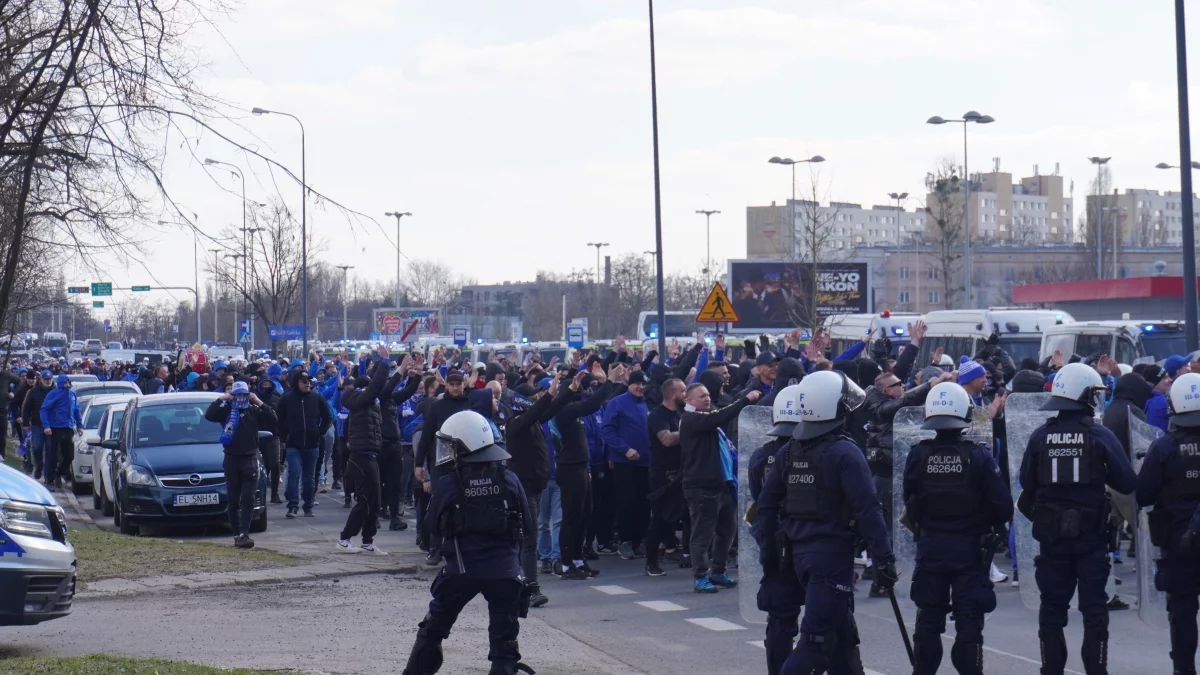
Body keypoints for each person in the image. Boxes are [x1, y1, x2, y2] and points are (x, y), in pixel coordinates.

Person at [752, 370, 893, 673]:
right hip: (829, 557)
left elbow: (765, 506)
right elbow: (868, 508)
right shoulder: (844, 451)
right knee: (815, 641)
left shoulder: (790, 451)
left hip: (792, 552)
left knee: (842, 637)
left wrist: (768, 550)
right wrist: (884, 559)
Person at [1018, 362, 1136, 675]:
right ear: (1083, 394)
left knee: (1052, 611)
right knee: (1094, 612)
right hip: (1091, 539)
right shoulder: (1099, 435)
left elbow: (1026, 483)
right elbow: (1126, 482)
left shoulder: (1040, 436)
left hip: (1052, 540)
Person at [402, 410, 535, 675]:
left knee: (432, 630)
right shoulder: (509, 479)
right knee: (504, 645)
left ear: (465, 445)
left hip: (462, 570)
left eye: (452, 446)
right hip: (505, 573)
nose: (448, 451)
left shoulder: (452, 483)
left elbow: (430, 527)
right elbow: (528, 523)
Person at [902, 382, 1013, 675]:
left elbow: (908, 500)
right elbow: (1002, 506)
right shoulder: (978, 456)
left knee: (927, 620)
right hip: (969, 550)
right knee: (969, 623)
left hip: (930, 548)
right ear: (964, 414)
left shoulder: (918, 454)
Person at [862, 367, 954, 597]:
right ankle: (882, 580)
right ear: (886, 390)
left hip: (894, 473)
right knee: (887, 531)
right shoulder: (882, 408)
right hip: (884, 477)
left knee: (898, 527)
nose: (903, 387)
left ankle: (888, 576)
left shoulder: (891, 404)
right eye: (898, 385)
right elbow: (899, 404)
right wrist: (928, 386)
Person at [1136, 372, 1200, 675]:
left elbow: (1144, 493)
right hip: (1184, 538)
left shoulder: (1164, 447)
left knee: (1183, 613)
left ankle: (1184, 670)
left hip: (1178, 544)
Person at [746, 384, 806, 675]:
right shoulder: (815, 454)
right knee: (827, 620)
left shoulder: (760, 456)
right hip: (810, 542)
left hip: (774, 545)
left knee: (780, 621)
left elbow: (759, 500)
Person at [679, 380, 760, 592]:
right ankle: (700, 576)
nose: (707, 398)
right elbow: (721, 416)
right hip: (702, 487)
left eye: (707, 395)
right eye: (701, 396)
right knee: (702, 534)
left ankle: (718, 572)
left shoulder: (705, 417)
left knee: (727, 531)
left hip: (722, 484)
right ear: (688, 400)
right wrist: (745, 400)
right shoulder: (690, 419)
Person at [551, 364, 616, 580]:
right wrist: (609, 383)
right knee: (571, 517)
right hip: (570, 469)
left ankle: (578, 559)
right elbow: (593, 403)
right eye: (576, 391)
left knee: (583, 516)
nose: (581, 394)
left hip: (582, 467)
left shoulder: (573, 409)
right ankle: (567, 564)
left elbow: (589, 402)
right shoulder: (564, 411)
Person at [205, 381, 277, 549]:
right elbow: (209, 415)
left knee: (249, 498)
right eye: (237, 395)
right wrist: (221, 399)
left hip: (250, 459)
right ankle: (237, 534)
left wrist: (258, 401)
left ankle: (244, 533)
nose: (240, 398)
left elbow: (273, 418)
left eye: (243, 395)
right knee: (233, 500)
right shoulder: (226, 411)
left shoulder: (253, 410)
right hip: (231, 458)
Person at [336, 346, 393, 555]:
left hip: (370, 455)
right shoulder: (361, 400)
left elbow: (380, 386)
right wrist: (385, 361)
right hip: (361, 458)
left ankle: (368, 541)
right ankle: (344, 538)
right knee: (365, 501)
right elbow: (377, 385)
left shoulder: (365, 402)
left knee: (375, 501)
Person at [417, 369, 472, 566]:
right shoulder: (437, 407)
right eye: (452, 384)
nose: (456, 388)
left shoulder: (469, 405)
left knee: (466, 507)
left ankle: (463, 547)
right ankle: (435, 548)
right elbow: (426, 437)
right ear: (446, 385)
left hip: (467, 463)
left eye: (459, 384)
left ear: (463, 384)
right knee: (439, 506)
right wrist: (419, 465)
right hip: (440, 463)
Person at [601, 370, 650, 560]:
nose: (640, 387)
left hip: (646, 462)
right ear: (629, 384)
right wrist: (624, 449)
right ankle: (625, 541)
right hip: (625, 462)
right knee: (627, 502)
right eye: (637, 383)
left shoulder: (648, 402)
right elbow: (607, 430)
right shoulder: (617, 402)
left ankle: (639, 541)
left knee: (644, 503)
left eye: (643, 384)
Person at [275, 370, 334, 518]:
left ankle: (308, 505)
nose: (307, 383)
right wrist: (284, 437)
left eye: (308, 380)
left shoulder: (316, 397)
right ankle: (293, 506)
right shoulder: (286, 398)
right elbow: (279, 419)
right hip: (293, 444)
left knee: (309, 477)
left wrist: (319, 432)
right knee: (294, 473)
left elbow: (327, 416)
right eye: (303, 381)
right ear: (296, 382)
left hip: (312, 444)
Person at [39, 374, 82, 489]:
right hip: (55, 429)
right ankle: (49, 480)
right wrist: (46, 426)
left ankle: (59, 473)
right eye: (64, 383)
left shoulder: (72, 394)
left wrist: (80, 425)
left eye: (68, 382)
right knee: (53, 456)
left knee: (69, 456)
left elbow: (77, 410)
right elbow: (44, 409)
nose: (66, 385)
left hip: (68, 429)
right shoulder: (53, 394)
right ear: (60, 383)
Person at [21, 370, 53, 480]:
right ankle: (38, 465)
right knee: (37, 448)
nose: (48, 381)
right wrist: (25, 424)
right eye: (45, 379)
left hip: (52, 426)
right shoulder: (33, 392)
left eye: (49, 379)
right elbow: (26, 409)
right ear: (41, 380)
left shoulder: (56, 391)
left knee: (50, 451)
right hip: (37, 424)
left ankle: (49, 477)